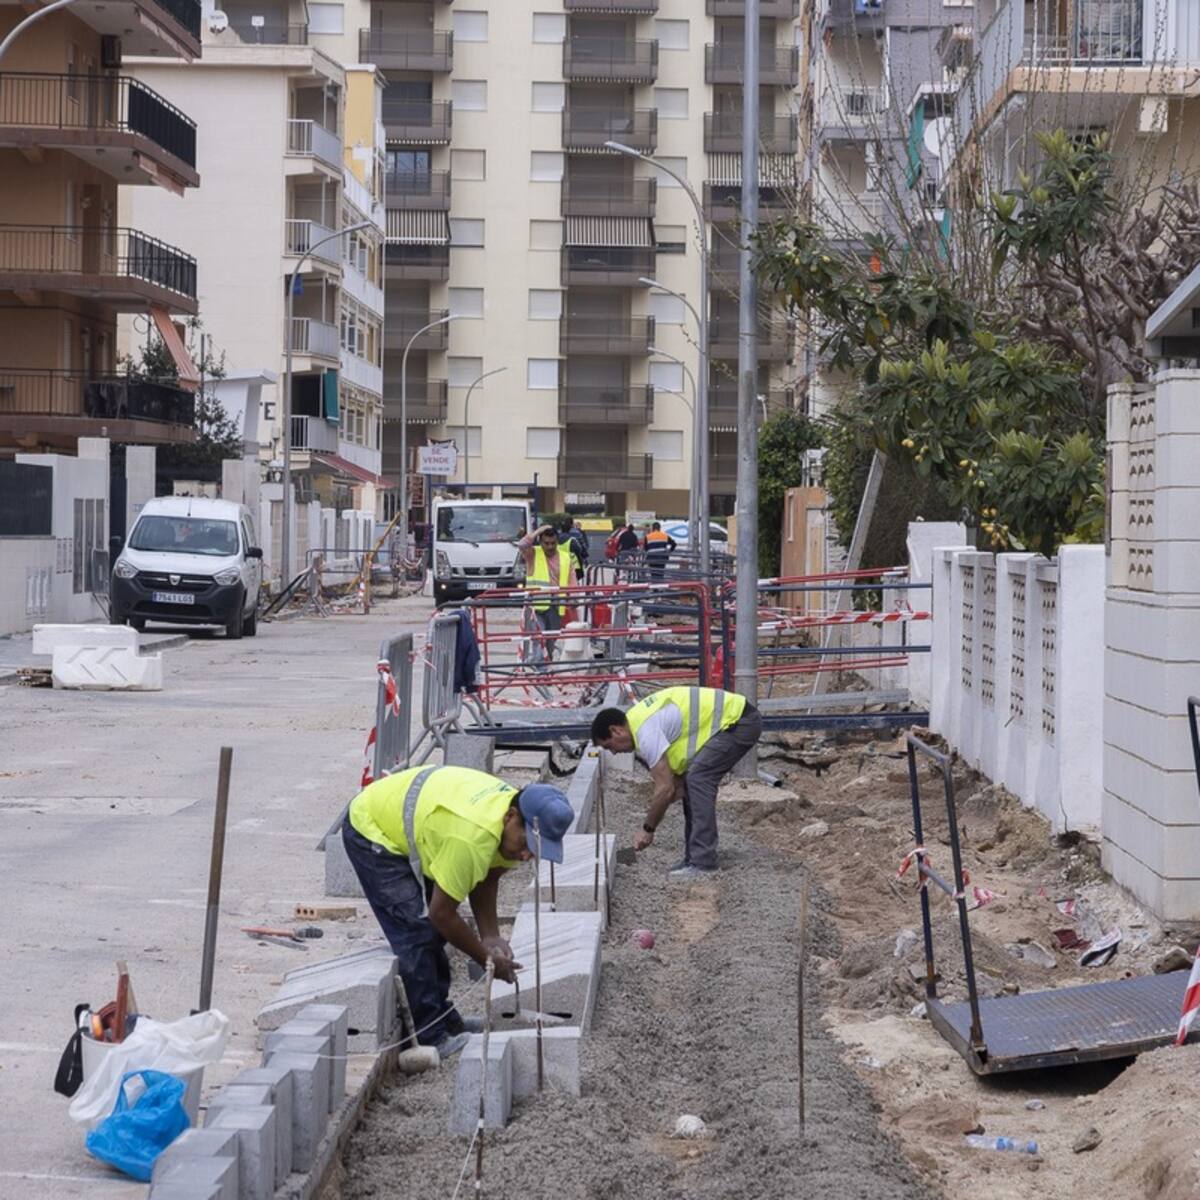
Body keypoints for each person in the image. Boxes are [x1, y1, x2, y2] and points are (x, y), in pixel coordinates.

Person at [342, 766, 575, 1058]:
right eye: (526, 843)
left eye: (536, 849)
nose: (527, 854)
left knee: (435, 934)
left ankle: (444, 1019)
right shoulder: (471, 838)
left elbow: (486, 877)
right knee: (417, 932)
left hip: (430, 826)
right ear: (511, 817)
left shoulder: (510, 830)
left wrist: (490, 935)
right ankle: (429, 1035)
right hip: (372, 827)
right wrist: (485, 959)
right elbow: (441, 915)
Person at [590, 686, 763, 879]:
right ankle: (693, 858)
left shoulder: (646, 732)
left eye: (609, 746)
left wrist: (648, 829)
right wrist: (660, 804)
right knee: (691, 783)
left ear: (615, 731)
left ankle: (703, 862)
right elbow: (673, 788)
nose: (614, 752)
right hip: (734, 721)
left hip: (738, 722)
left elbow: (665, 789)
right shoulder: (639, 722)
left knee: (698, 779)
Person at [519, 522, 577, 651]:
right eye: (546, 543)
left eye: (553, 543)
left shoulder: (565, 558)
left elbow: (571, 580)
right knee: (539, 640)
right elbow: (522, 544)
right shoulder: (532, 554)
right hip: (536, 605)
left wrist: (573, 597)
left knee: (551, 640)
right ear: (540, 542)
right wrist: (537, 532)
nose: (550, 546)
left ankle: (547, 659)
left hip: (556, 606)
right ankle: (539, 662)